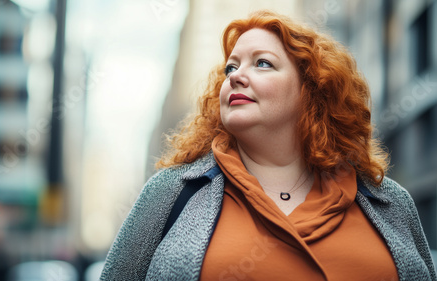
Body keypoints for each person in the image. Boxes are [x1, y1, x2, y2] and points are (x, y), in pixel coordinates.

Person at [100, 10, 436, 281]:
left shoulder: (389, 202)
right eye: (231, 66)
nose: (235, 76)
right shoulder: (171, 193)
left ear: (311, 91)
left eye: (262, 63)